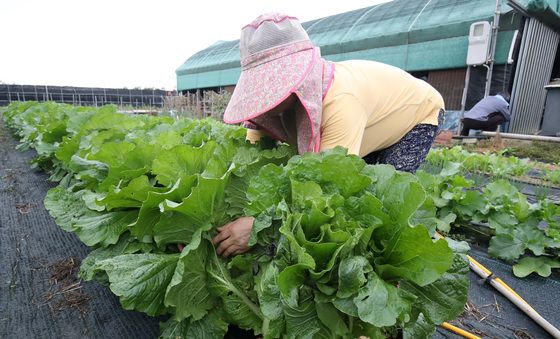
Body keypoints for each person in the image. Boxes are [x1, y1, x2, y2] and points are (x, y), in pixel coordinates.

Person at [212, 13, 445, 258]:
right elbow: (250, 161)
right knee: (352, 190)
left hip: (416, 114)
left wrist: (259, 226)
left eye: (269, 88)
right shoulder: (277, 109)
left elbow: (330, 189)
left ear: (297, 79)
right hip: (367, 120)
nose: (263, 99)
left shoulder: (341, 102)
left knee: (380, 207)